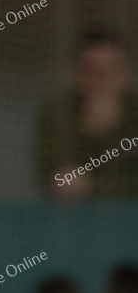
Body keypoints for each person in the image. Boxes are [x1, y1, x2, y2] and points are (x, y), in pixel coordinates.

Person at [38, 31, 138, 199]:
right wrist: (92, 135)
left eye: (110, 71)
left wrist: (94, 185)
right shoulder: (57, 111)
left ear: (126, 72)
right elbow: (56, 180)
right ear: (75, 72)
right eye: (90, 72)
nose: (101, 81)